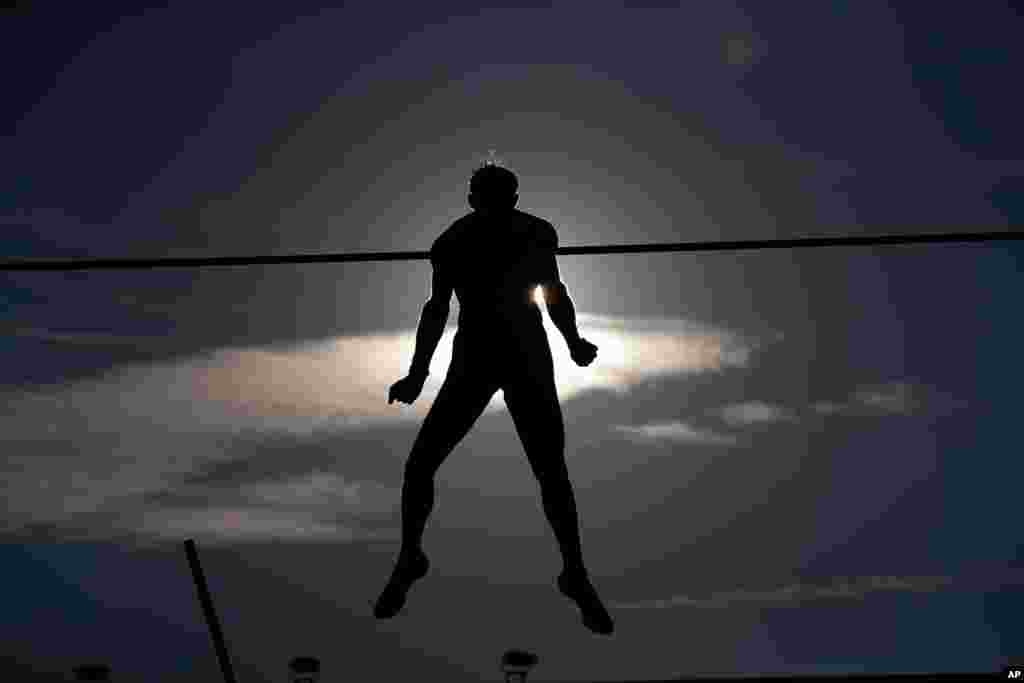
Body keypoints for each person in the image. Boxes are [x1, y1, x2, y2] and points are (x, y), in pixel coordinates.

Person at [373, 162, 614, 636]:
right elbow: (437, 308)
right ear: (477, 200)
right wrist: (417, 373)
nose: (492, 203)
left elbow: (552, 291)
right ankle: (410, 556)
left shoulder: (533, 233)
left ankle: (575, 573)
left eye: (497, 194)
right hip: (480, 358)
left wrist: (573, 341)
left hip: (523, 355)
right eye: (487, 195)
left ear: (510, 198)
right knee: (422, 465)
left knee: (550, 470)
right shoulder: (453, 241)